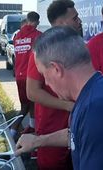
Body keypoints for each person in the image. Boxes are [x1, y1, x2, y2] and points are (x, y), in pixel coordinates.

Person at [16, 26, 103, 170]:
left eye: (44, 75)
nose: (46, 82)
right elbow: (79, 133)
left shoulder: (98, 108)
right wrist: (38, 141)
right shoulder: (97, 90)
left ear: (56, 69)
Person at [25, 0, 82, 169]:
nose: (79, 21)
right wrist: (67, 106)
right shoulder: (43, 49)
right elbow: (32, 92)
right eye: (75, 18)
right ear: (61, 23)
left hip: (78, 128)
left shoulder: (78, 46)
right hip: (51, 131)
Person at [10, 12, 41, 137]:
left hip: (19, 75)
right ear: (37, 21)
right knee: (31, 106)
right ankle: (13, 132)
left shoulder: (17, 37)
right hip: (31, 76)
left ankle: (28, 129)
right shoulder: (38, 35)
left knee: (26, 106)